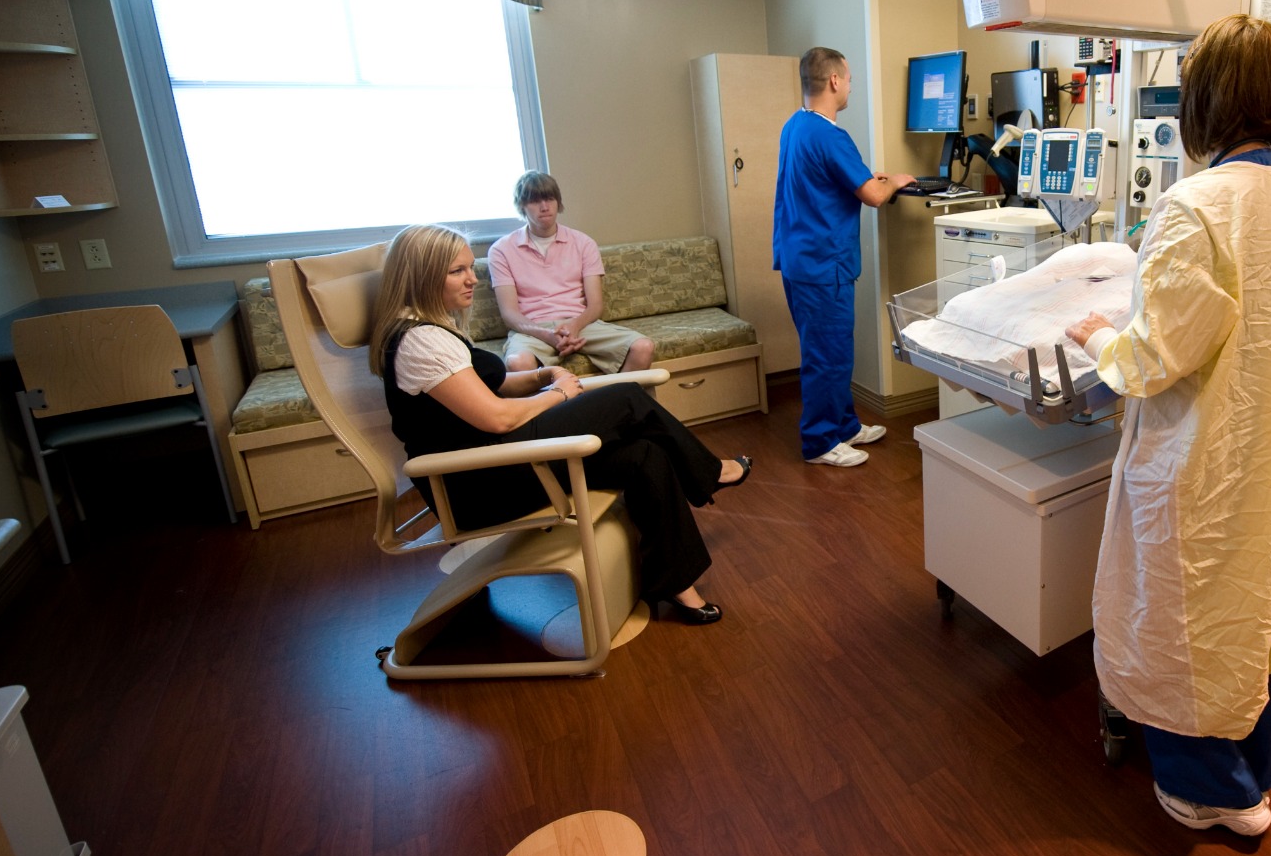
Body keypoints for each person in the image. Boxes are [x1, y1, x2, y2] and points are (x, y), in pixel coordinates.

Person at [1066, 13, 1271, 837]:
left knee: (1183, 612)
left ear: (1202, 102)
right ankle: (1248, 777)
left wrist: (1098, 334)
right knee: (1248, 606)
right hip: (1269, 451)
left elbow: (1152, 360)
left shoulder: (1196, 204)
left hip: (1198, 456)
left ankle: (1203, 791)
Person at [368, 224, 752, 624]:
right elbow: (497, 416)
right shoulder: (420, 341)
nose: (473, 278)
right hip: (474, 486)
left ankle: (676, 583)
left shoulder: (431, 328)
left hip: (494, 463)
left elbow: (490, 385)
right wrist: (560, 394)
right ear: (423, 276)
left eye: (470, 267)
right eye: (457, 271)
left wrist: (542, 376)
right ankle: (709, 472)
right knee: (626, 397)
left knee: (644, 454)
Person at [773, 46, 915, 467]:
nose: (850, 85)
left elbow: (824, 180)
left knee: (832, 351)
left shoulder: (795, 126)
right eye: (849, 78)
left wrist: (871, 179)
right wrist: (898, 181)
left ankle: (845, 425)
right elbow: (872, 196)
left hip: (800, 259)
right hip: (823, 265)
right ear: (834, 81)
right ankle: (819, 442)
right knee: (826, 356)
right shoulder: (831, 135)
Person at [487, 172, 658, 376]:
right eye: (534, 200)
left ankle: (613, 405)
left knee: (643, 347)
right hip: (533, 328)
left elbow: (595, 305)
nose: (544, 206)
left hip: (579, 322)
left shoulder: (583, 243)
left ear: (558, 202)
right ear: (522, 205)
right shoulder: (501, 250)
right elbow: (509, 314)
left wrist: (574, 326)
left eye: (549, 199)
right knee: (518, 364)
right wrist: (547, 334)